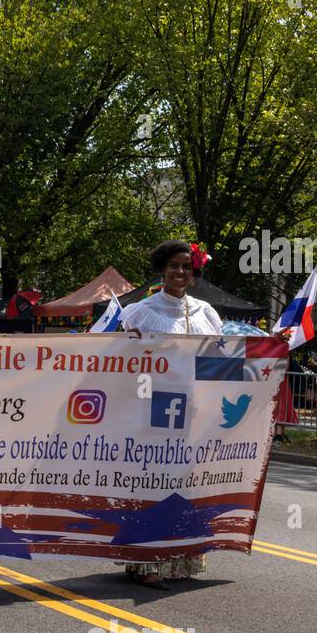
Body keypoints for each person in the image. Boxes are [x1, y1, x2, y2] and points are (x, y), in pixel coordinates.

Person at [116, 239, 221, 590]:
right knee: (153, 484)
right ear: (162, 269)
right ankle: (146, 562)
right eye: (174, 266)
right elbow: (121, 362)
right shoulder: (140, 312)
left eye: (186, 267)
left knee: (184, 486)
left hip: (194, 413)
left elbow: (221, 361)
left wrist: (272, 349)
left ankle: (179, 560)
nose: (181, 272)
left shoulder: (206, 312)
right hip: (153, 411)